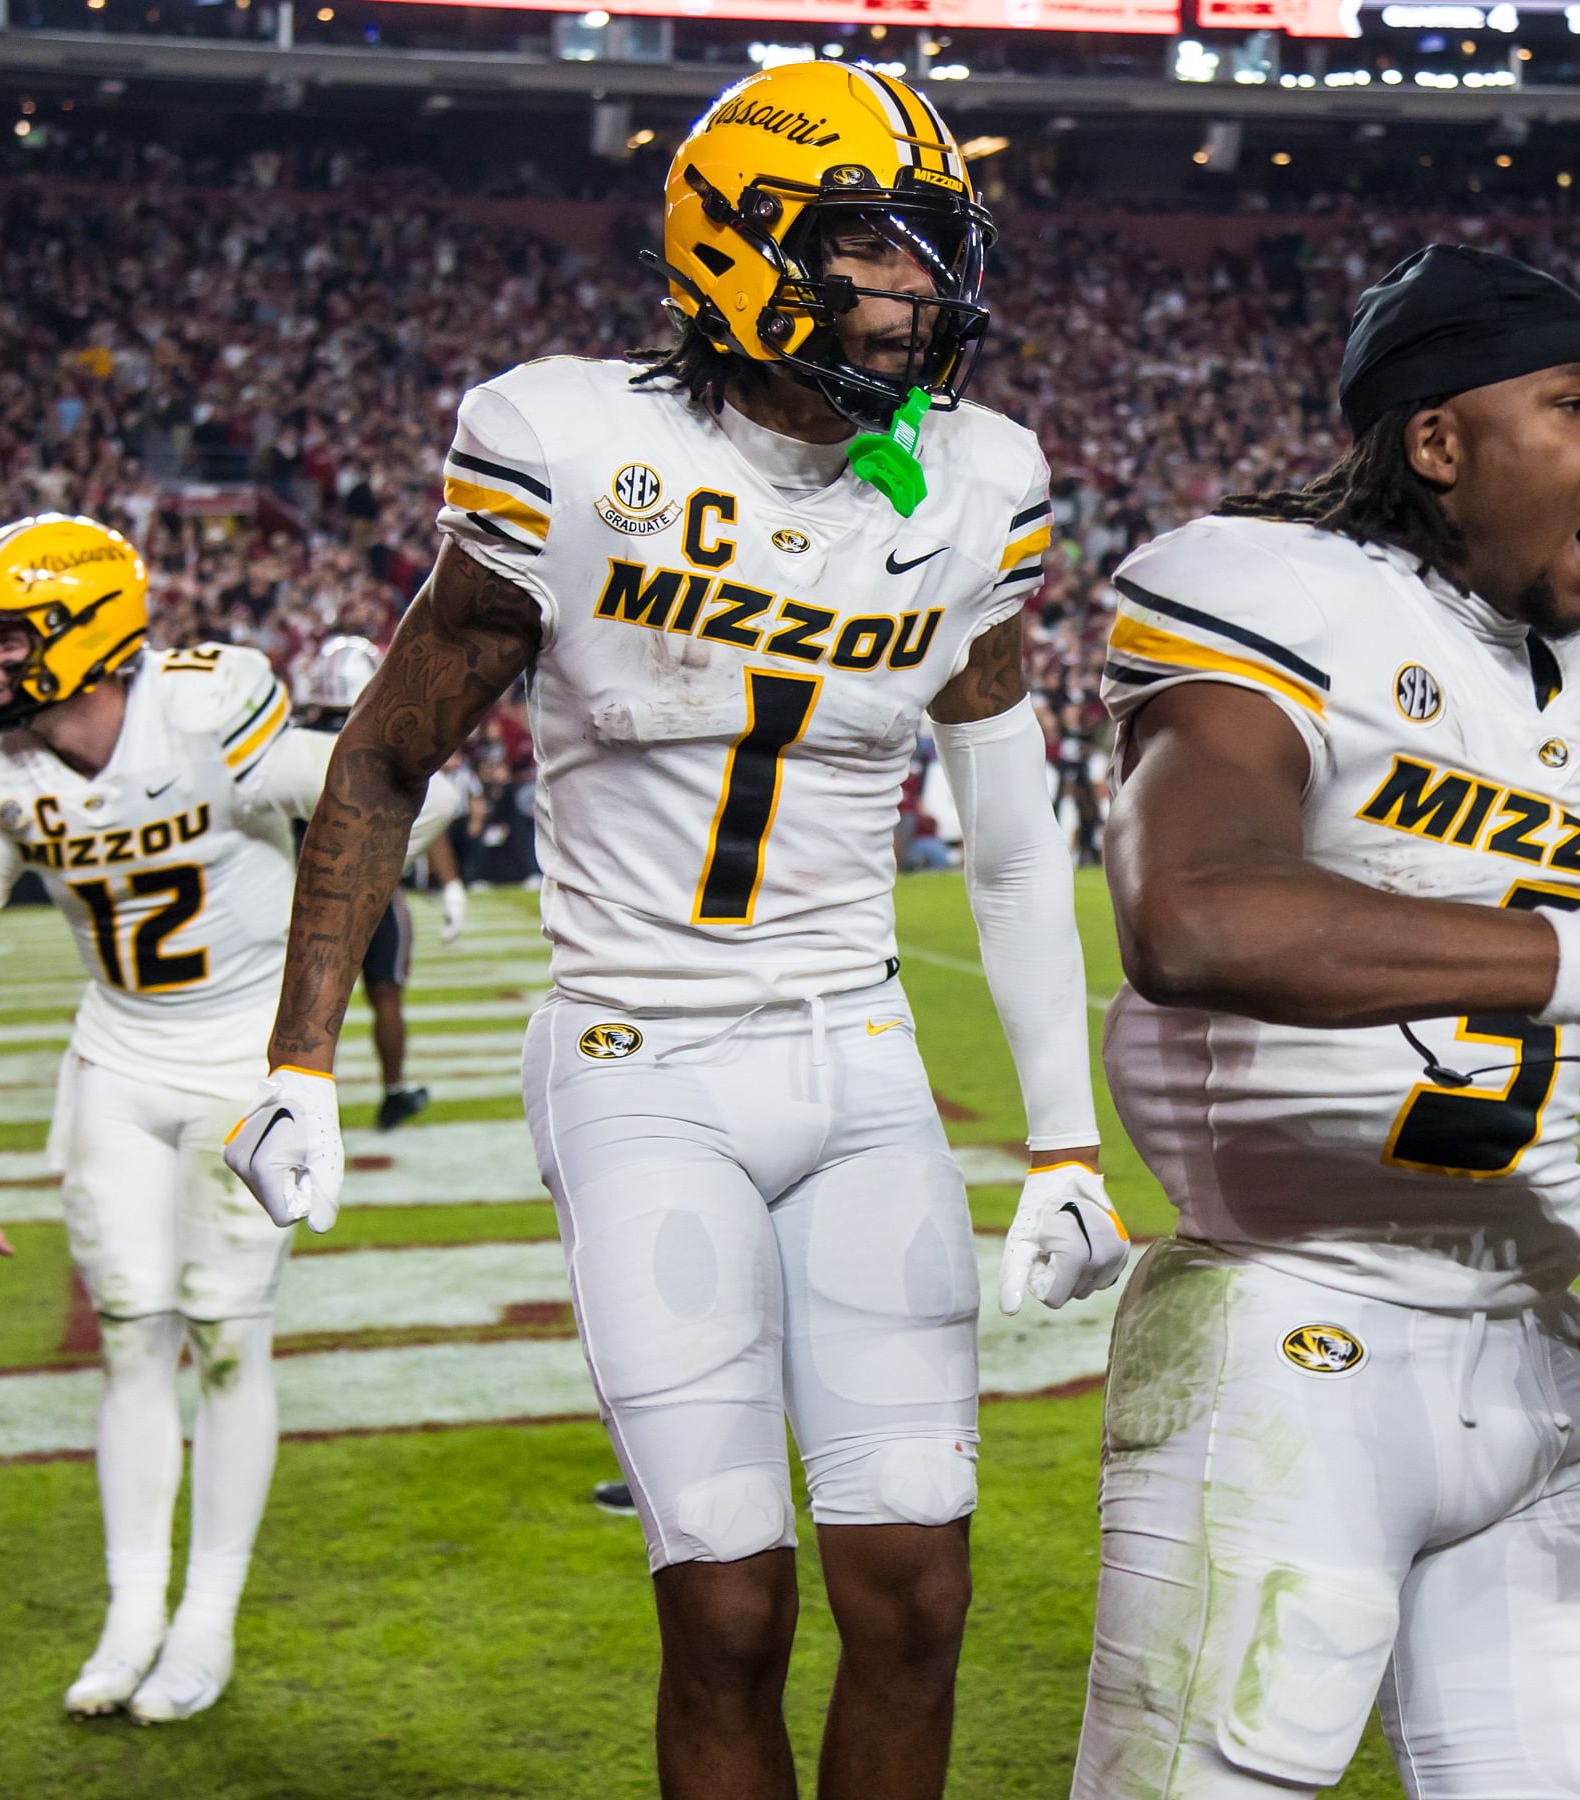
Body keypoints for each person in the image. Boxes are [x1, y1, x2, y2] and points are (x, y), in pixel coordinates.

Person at [222, 65, 1121, 1800]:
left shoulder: (973, 484)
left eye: (927, 254)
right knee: (724, 1609)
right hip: (641, 1060)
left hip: (859, 1064)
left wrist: (1065, 1138)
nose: (912, 292)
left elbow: (1014, 847)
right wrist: (301, 1062)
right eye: (866, 248)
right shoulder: (574, 448)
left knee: (919, 1594)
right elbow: (388, 755)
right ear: (732, 249)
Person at [1079, 243, 1580, 1800]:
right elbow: (1192, 911)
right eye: (1575, 400)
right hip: (1286, 1339)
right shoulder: (1266, 588)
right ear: (1439, 442)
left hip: (1537, 1347)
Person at [0, 514, 459, 1722]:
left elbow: (414, 791)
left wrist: (354, 823)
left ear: (86, 636)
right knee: (131, 1336)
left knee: (229, 1333)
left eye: (3, 634)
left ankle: (206, 1621)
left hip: (252, 1059)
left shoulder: (205, 708)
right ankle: (131, 1612)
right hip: (117, 1061)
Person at [290, 634, 470, 1130]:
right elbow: (426, 803)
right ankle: (393, 1092)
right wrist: (450, 885)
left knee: (291, 1001)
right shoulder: (384, 743)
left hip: (297, 897)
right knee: (385, 994)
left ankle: (284, 1095)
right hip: (374, 893)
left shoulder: (290, 745)